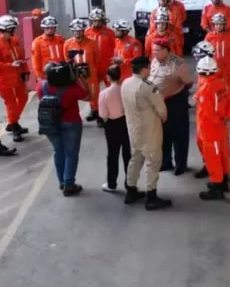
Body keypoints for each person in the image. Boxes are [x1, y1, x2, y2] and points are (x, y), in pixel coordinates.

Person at [121, 56, 172, 210]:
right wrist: (163, 117)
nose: (150, 70)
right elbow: (161, 109)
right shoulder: (148, 86)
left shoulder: (126, 83)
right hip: (150, 129)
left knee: (135, 159)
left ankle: (130, 191)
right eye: (148, 68)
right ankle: (151, 196)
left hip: (133, 129)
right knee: (153, 161)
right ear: (144, 69)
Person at [37, 60, 91, 195]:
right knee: (71, 154)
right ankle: (69, 184)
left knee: (58, 151)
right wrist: (82, 80)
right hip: (71, 123)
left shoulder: (41, 86)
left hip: (50, 123)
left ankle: (61, 181)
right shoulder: (72, 87)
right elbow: (89, 96)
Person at [149, 39, 194, 175]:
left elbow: (188, 83)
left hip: (176, 102)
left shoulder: (178, 64)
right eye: (153, 50)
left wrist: (174, 92)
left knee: (179, 135)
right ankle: (166, 162)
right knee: (163, 133)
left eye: (157, 50)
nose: (154, 53)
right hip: (159, 102)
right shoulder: (155, 60)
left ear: (166, 50)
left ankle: (181, 164)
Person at [193, 56, 230, 200]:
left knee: (212, 158)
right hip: (222, 127)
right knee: (223, 155)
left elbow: (208, 113)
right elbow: (229, 104)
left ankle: (217, 187)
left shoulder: (206, 89)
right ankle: (223, 181)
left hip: (210, 130)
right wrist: (225, 119)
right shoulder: (221, 84)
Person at [98, 65, 131, 193]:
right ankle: (130, 184)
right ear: (120, 76)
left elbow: (102, 115)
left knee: (112, 155)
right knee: (127, 154)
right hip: (126, 123)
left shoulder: (104, 93)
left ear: (108, 77)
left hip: (112, 125)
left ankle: (112, 183)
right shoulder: (125, 90)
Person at [205, 13, 230, 117]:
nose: (218, 26)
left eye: (220, 24)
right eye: (216, 24)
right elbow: (206, 50)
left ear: (224, 25)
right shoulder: (209, 36)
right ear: (213, 25)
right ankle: (216, 108)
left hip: (228, 66)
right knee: (213, 88)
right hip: (215, 67)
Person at [64, 18, 101, 123]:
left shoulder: (92, 42)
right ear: (72, 31)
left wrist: (92, 69)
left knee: (94, 92)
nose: (77, 33)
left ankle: (96, 112)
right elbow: (67, 59)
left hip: (90, 72)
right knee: (76, 93)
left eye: (80, 30)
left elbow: (97, 57)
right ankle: (75, 115)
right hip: (76, 73)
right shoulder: (67, 43)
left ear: (84, 30)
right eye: (75, 31)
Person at [0, 15, 30, 142]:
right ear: (5, 29)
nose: (14, 31)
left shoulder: (15, 40)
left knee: (24, 98)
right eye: (12, 28)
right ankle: (14, 126)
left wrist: (26, 70)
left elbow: (22, 56)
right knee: (11, 104)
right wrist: (10, 65)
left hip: (18, 77)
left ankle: (12, 123)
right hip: (4, 80)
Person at [85, 7, 116, 91]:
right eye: (95, 21)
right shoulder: (86, 33)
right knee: (93, 89)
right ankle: (95, 104)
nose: (97, 23)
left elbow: (115, 47)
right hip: (93, 65)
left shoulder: (110, 32)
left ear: (103, 20)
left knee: (111, 87)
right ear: (91, 21)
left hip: (107, 64)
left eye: (99, 20)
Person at [31, 16, 65, 81]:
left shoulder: (61, 39)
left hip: (61, 72)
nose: (50, 29)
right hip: (46, 75)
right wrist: (39, 76)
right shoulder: (37, 42)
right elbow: (35, 60)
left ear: (55, 28)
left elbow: (66, 56)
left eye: (52, 27)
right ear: (43, 28)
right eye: (47, 28)